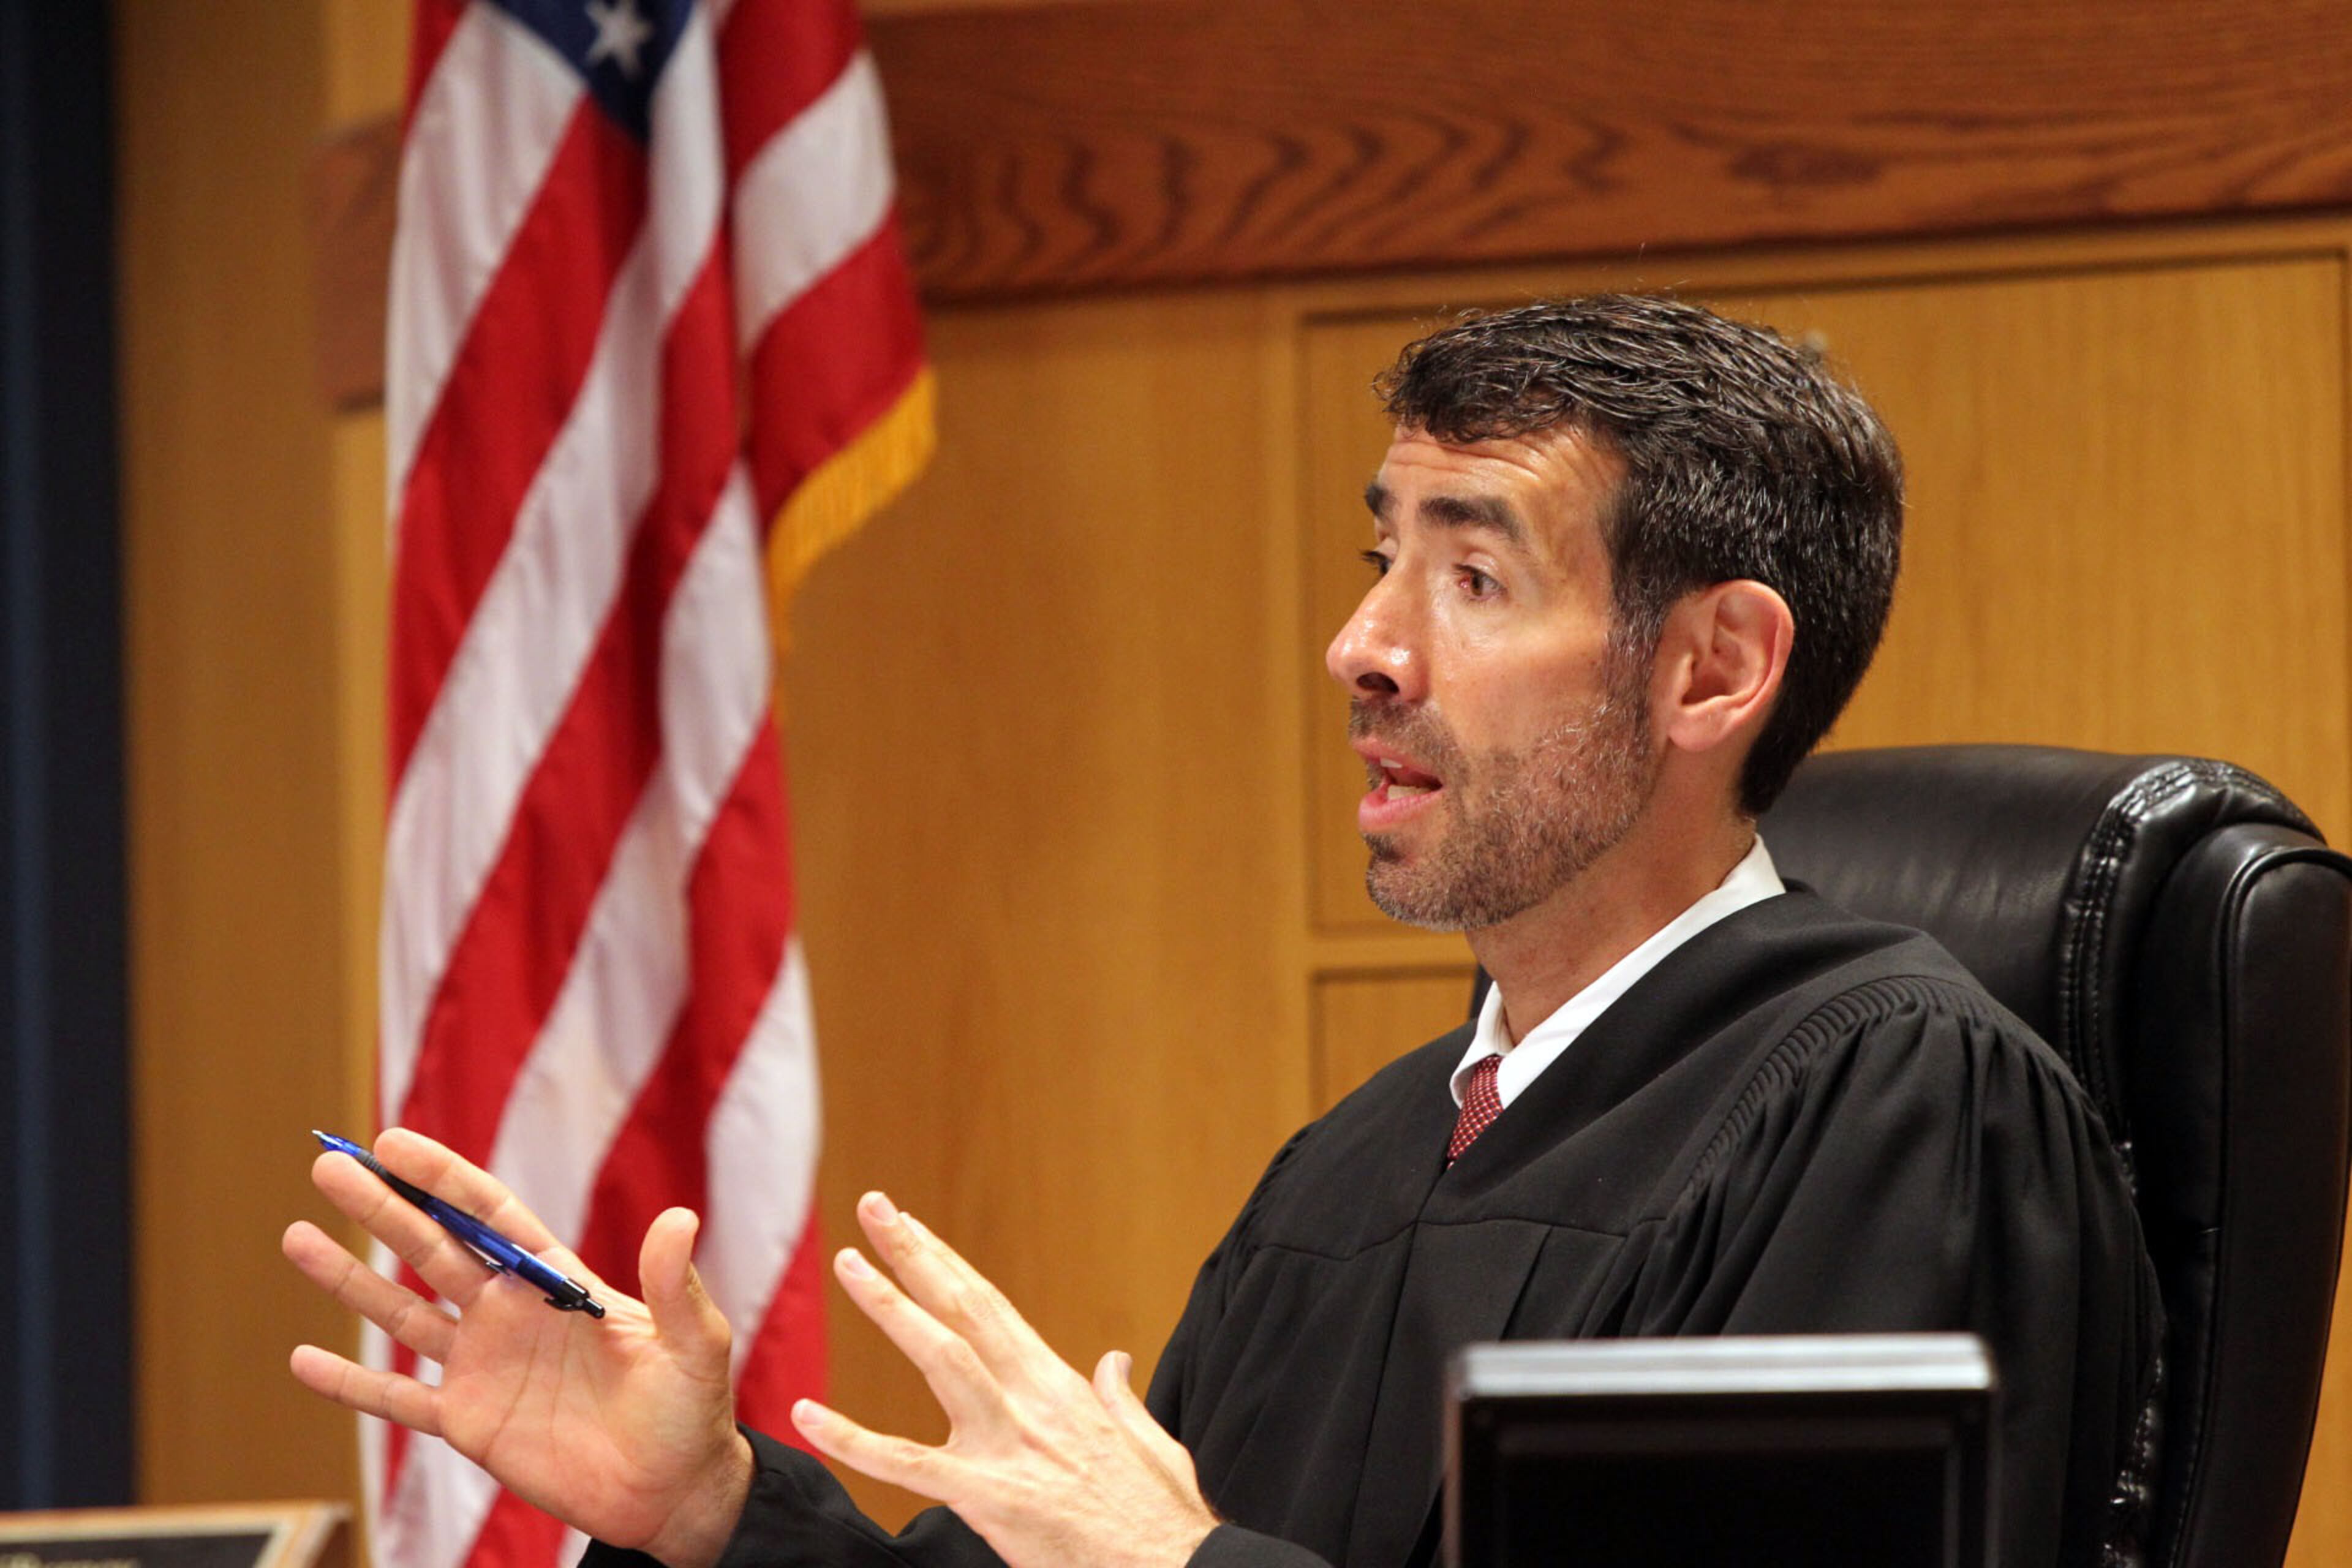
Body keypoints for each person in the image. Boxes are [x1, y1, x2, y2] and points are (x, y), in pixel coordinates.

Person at [285, 295, 2162, 1568]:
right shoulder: (1353, 1170)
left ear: (1710, 669)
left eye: (1475, 573)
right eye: (1382, 560)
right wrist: (714, 1508)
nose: (1364, 648)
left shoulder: (1901, 1106)